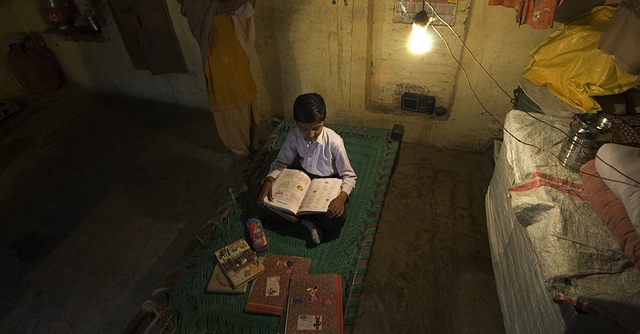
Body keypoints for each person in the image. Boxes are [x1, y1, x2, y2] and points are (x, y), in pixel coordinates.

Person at [257, 93, 357, 244]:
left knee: (338, 219)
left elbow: (349, 175)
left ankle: (297, 217)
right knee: (260, 193)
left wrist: (341, 198)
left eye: (316, 128)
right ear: (297, 123)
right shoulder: (294, 135)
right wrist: (269, 179)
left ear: (324, 120)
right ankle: (305, 219)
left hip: (328, 182)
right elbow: (281, 162)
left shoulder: (335, 142)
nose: (310, 134)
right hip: (303, 176)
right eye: (303, 129)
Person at [178, 0, 260, 166]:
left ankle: (252, 142)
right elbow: (226, 6)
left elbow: (245, 5)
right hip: (217, 49)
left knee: (246, 91)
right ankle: (238, 150)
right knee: (230, 98)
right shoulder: (194, 4)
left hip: (235, 47)